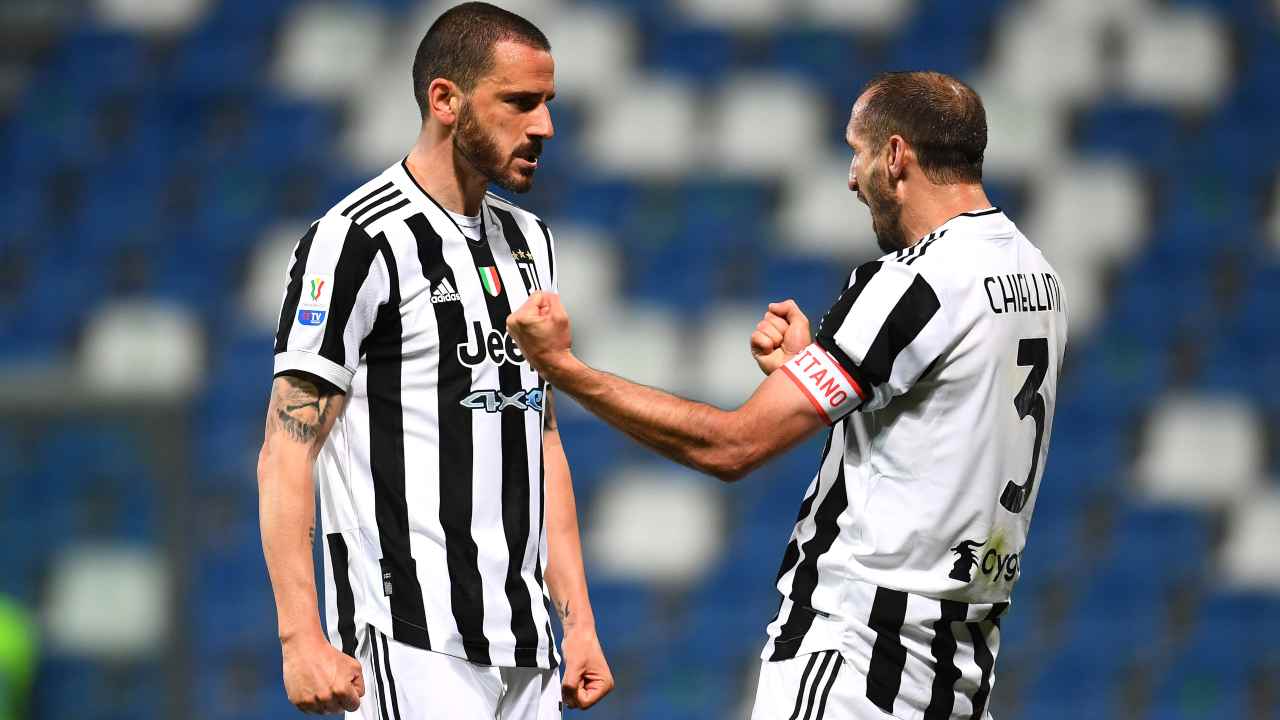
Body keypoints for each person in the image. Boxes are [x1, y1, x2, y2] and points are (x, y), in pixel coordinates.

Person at [507, 71, 1067, 719]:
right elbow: (944, 422)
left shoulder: (912, 282)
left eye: (856, 154)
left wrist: (563, 367)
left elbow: (730, 446)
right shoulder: (1036, 275)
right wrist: (816, 363)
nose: (852, 179)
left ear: (895, 155)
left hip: (856, 661)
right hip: (960, 666)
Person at [257, 3, 612, 717]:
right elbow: (286, 449)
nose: (544, 126)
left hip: (526, 645)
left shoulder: (530, 243)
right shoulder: (357, 240)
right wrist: (301, 638)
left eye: (548, 103)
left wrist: (578, 625)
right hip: (410, 637)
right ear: (444, 99)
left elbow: (540, 436)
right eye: (520, 102)